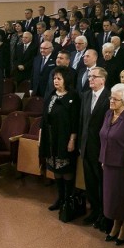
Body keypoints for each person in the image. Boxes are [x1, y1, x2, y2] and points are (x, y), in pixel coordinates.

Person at [100, 83, 124, 245]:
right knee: (111, 198)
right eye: (111, 97)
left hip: (123, 166)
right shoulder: (108, 113)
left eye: (115, 99)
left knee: (122, 198)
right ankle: (116, 223)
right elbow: (103, 136)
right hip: (108, 163)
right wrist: (103, 159)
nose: (111, 101)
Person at [39, 67, 79, 212]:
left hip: (65, 137)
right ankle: (60, 197)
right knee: (55, 166)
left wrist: (72, 139)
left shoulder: (73, 96)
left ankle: (68, 198)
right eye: (54, 78)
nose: (56, 81)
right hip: (51, 137)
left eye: (59, 78)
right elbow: (44, 118)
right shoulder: (51, 95)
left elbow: (75, 121)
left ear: (66, 80)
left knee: (65, 167)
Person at [79, 67, 111, 231]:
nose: (90, 79)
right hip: (86, 147)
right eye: (89, 76)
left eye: (94, 76)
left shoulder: (110, 98)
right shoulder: (85, 96)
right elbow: (82, 122)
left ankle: (104, 215)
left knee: (102, 184)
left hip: (101, 149)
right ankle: (94, 211)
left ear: (102, 80)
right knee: (90, 183)